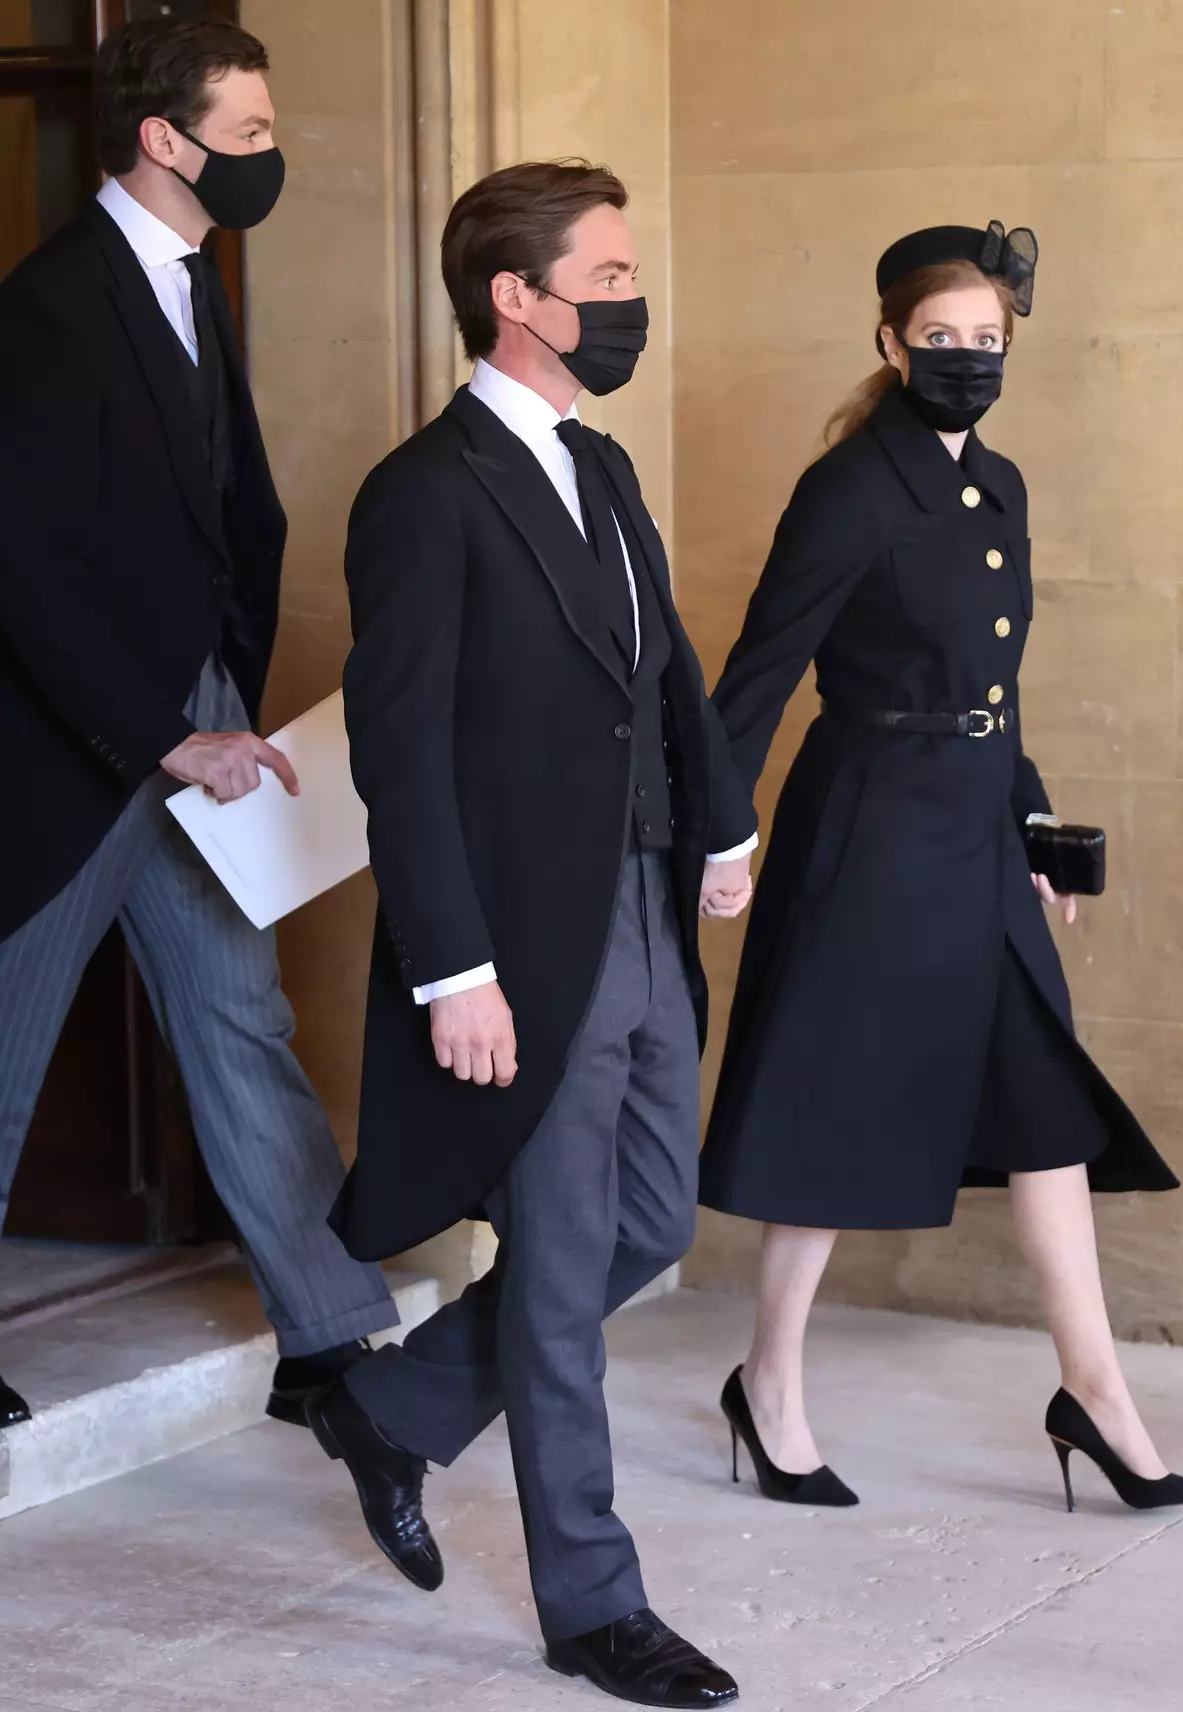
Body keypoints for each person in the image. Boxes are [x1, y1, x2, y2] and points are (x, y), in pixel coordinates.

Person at [313, 161, 755, 1709]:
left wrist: (720, 819)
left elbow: (664, 669)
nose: (635, 303)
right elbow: (402, 748)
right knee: (564, 1270)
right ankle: (592, 1602)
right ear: (519, 297)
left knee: (651, 1221)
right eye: (614, 277)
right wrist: (454, 968)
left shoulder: (603, 465)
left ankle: (394, 1407)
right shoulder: (425, 493)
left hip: (640, 906)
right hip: (515, 941)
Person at [698, 223, 1183, 1517]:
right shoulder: (851, 489)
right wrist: (721, 831)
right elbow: (760, 676)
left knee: (1043, 1108)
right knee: (827, 1104)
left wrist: (1036, 831)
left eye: (987, 342)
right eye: (941, 341)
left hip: (981, 832)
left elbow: (997, 687)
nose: (967, 361)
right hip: (870, 829)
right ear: (889, 343)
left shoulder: (1002, 486)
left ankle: (1096, 1395)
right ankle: (768, 1386)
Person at [0, 18, 399, 1433]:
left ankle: (332, 1327)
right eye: (251, 135)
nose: (271, 157)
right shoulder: (48, 308)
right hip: (80, 749)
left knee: (239, 1012)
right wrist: (165, 733)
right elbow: (21, 566)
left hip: (197, 718)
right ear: (165, 143)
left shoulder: (189, 279)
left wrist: (222, 689)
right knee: (6, 1035)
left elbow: (227, 513)